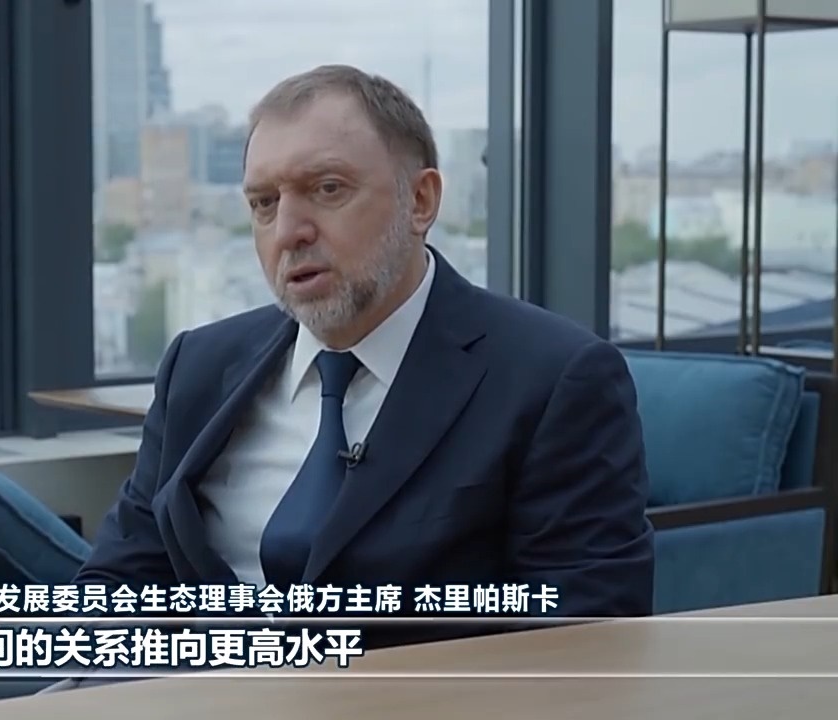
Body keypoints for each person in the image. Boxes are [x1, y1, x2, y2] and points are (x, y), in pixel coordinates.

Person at [46, 64, 653, 692]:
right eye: (264, 204)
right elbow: (113, 593)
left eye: (328, 189)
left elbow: (583, 648)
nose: (289, 232)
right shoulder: (197, 367)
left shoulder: (554, 380)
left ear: (421, 201)